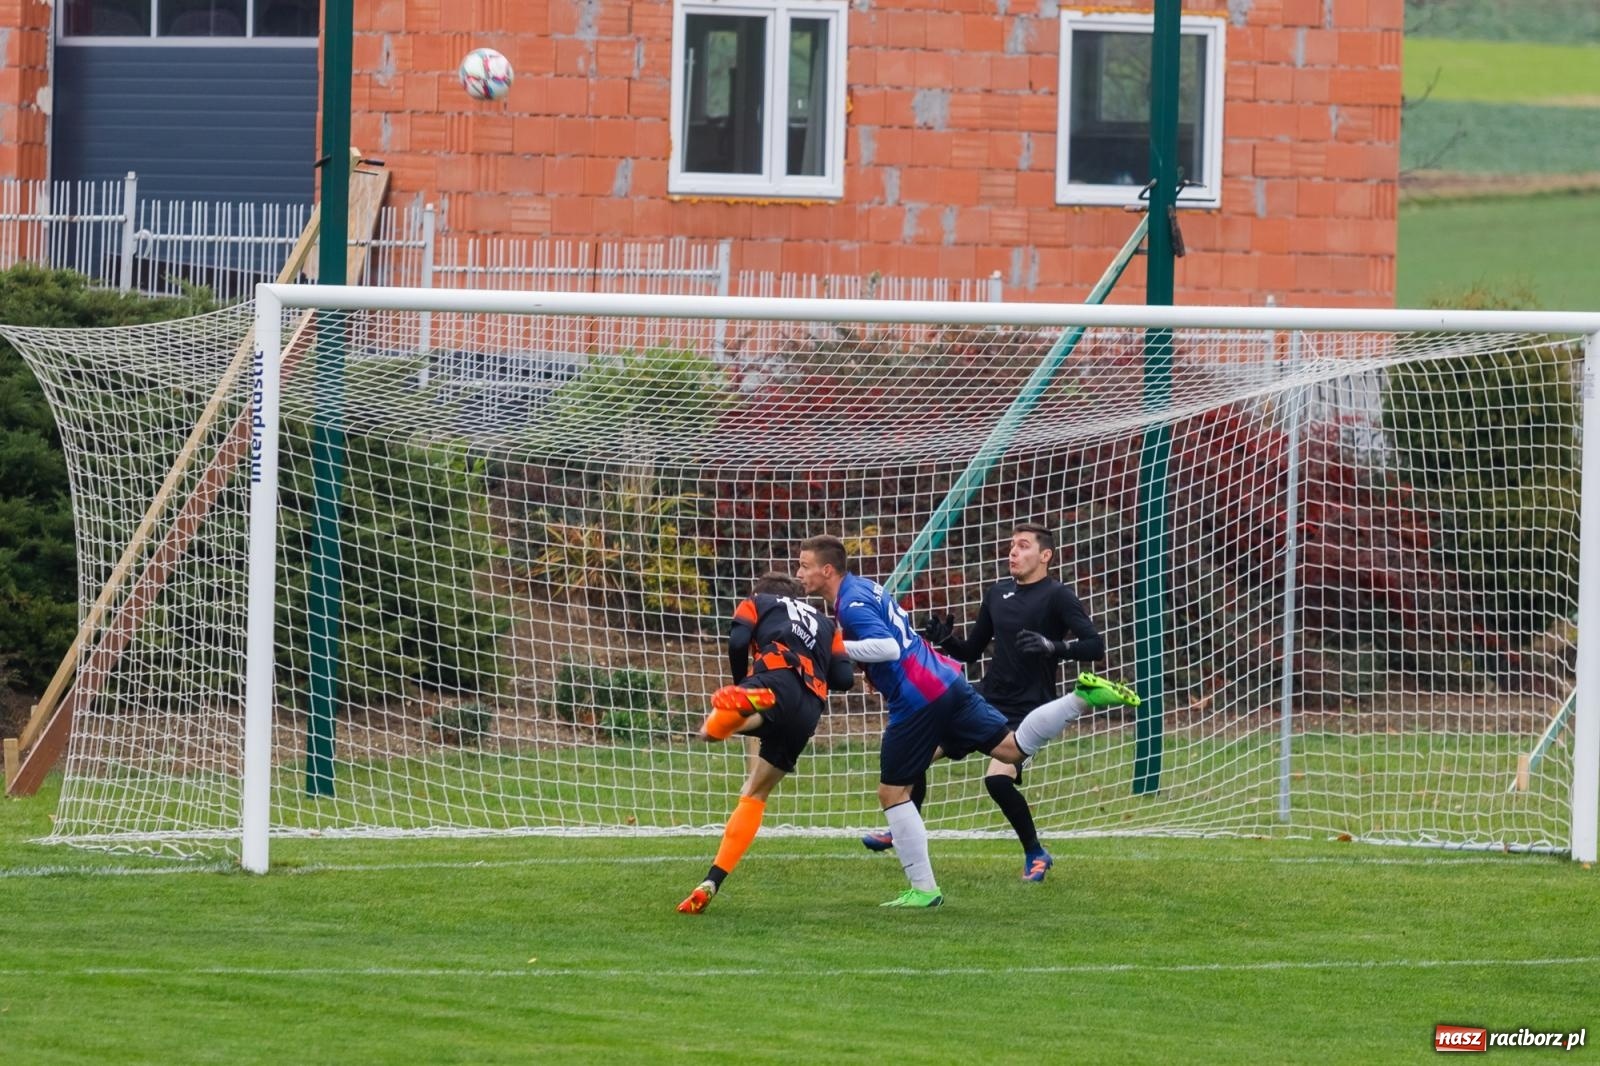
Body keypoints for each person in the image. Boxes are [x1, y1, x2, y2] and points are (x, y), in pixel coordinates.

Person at [796, 534, 1138, 909]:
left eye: (804, 566)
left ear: (827, 570)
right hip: (948, 682)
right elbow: (905, 638)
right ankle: (1080, 699)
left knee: (892, 793)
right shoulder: (864, 588)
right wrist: (888, 662)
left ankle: (924, 888)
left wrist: (833, 647)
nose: (799, 573)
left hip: (920, 697)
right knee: (1009, 750)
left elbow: (888, 647)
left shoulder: (852, 602)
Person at [861, 522, 1106, 883]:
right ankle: (902, 831)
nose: (1014, 552)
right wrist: (947, 640)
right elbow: (971, 652)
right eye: (1012, 545)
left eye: (1023, 545)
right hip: (983, 701)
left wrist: (1053, 646)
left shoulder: (1058, 596)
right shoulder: (997, 593)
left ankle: (1035, 852)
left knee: (997, 781)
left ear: (1045, 555)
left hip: (1028, 709)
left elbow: (1095, 646)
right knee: (915, 757)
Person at [677, 571, 855, 915]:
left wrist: (741, 681)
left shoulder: (758, 600)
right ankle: (711, 881)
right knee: (755, 793)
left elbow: (738, 640)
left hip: (773, 678)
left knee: (711, 731)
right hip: (809, 709)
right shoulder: (828, 625)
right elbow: (844, 679)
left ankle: (743, 702)